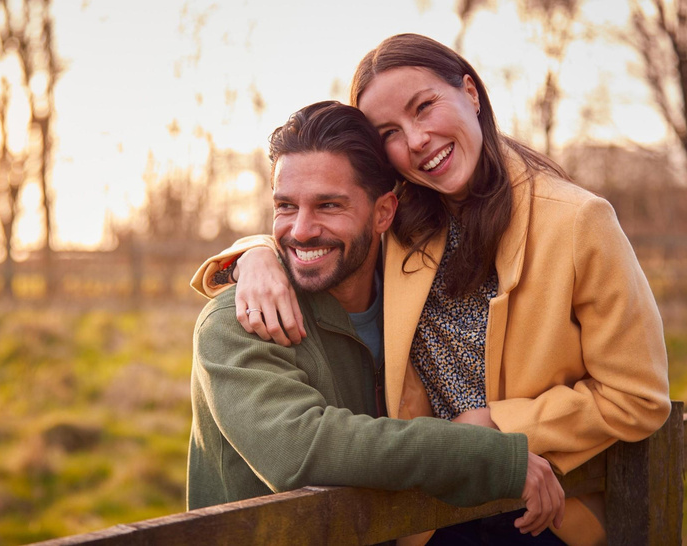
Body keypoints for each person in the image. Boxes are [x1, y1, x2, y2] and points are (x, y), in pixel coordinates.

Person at [193, 35, 671, 546]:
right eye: (390, 132)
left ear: (471, 91)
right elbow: (322, 215)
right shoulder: (410, 221)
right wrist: (256, 255)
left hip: (540, 506)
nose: (416, 139)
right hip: (425, 515)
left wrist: (494, 427)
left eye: (424, 107)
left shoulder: (577, 222)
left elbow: (637, 396)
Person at [187, 101, 565, 541]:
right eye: (286, 206)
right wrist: (494, 459)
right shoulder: (236, 320)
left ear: (384, 212)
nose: (301, 229)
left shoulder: (414, 305)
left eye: (328, 205)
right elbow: (302, 451)